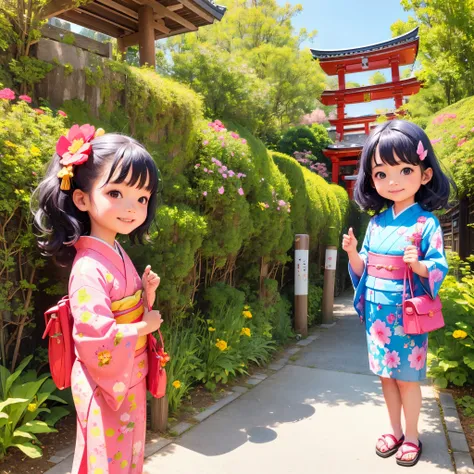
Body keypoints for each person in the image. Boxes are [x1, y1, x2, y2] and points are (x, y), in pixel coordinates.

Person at [33, 124, 163, 473]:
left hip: (126, 377)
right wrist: (143, 326)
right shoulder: (88, 266)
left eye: (142, 198)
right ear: (82, 198)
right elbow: (94, 338)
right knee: (105, 459)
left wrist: (145, 295)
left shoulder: (114, 249)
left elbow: (124, 305)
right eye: (117, 193)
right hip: (107, 380)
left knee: (125, 455)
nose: (132, 207)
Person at [342, 120, 454, 467]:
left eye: (405, 169)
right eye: (381, 173)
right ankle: (393, 430)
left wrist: (419, 264)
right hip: (377, 314)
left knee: (407, 380)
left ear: (424, 174)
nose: (393, 181)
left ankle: (413, 435)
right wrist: (352, 253)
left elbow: (438, 267)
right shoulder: (376, 223)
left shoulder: (426, 223)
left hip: (406, 312)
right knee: (386, 377)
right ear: (371, 179)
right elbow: (363, 272)